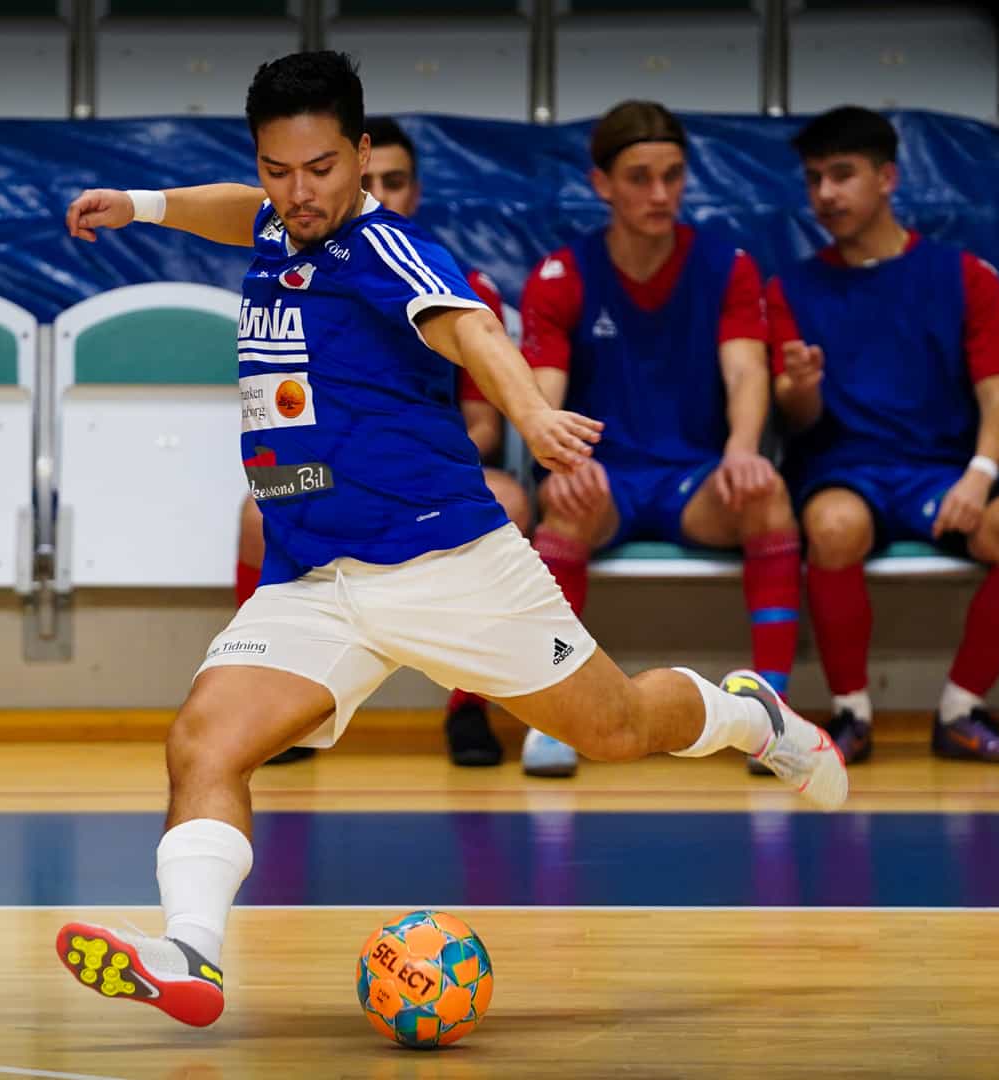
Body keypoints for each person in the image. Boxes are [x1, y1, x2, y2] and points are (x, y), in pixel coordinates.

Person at [52, 51, 847, 1029]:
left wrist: (535, 419)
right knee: (203, 746)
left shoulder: (386, 249)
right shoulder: (272, 215)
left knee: (618, 730)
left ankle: (746, 717)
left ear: (361, 154)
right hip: (313, 576)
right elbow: (233, 208)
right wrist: (139, 202)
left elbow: (471, 331)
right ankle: (194, 956)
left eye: (323, 169)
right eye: (278, 168)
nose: (299, 193)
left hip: (446, 563)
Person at [249, 115, 543, 770]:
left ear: (411, 191)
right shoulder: (286, 254)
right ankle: (283, 705)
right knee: (259, 507)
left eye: (395, 180)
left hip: (428, 485)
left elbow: (485, 417)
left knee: (513, 503)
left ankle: (469, 708)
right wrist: (140, 208)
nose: (379, 190)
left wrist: (529, 419)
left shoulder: (436, 272)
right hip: (321, 477)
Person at [766, 106, 999, 766]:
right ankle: (851, 716)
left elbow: (998, 389)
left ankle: (959, 711)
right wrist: (801, 387)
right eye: (814, 180)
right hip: (843, 469)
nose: (826, 195)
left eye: (843, 175)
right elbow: (794, 419)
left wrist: (981, 474)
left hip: (943, 471)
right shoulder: (792, 287)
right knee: (834, 527)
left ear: (888, 177)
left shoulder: (964, 275)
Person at [522, 101, 800, 786]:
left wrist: (743, 447)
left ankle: (773, 717)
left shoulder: (725, 266)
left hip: (693, 478)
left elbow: (745, 365)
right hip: (606, 478)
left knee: (767, 495)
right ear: (601, 185)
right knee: (567, 505)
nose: (659, 194)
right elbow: (541, 391)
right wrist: (559, 460)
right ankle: (550, 717)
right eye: (640, 177)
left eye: (673, 176)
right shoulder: (564, 273)